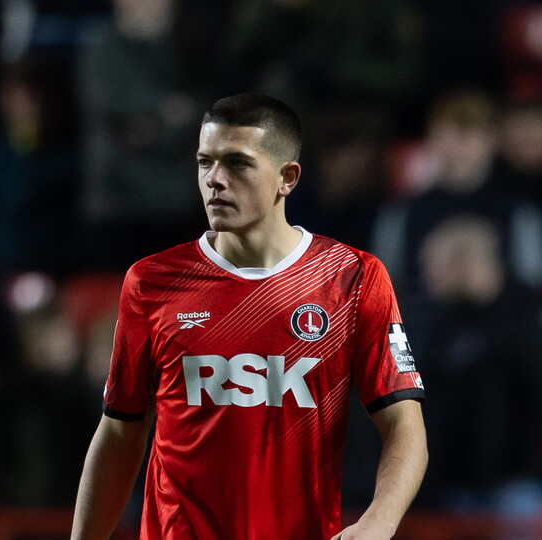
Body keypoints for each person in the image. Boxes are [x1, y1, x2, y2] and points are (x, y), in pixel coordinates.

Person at [71, 94, 427, 540]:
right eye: (205, 162)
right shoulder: (151, 282)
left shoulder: (352, 277)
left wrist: (380, 519)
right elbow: (120, 433)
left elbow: (403, 423)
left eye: (237, 164)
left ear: (287, 178)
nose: (215, 179)